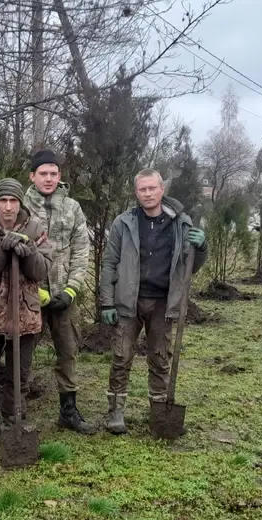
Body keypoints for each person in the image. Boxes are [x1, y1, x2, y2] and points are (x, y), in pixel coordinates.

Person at [99, 168, 207, 435]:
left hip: (162, 303)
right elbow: (110, 263)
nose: (147, 193)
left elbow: (189, 266)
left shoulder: (181, 224)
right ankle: (116, 410)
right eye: (142, 189)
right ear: (136, 193)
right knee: (121, 356)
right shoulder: (124, 222)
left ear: (162, 190)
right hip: (128, 302)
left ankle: (159, 411)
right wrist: (107, 302)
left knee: (160, 358)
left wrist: (202, 247)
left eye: (152, 188)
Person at [0, 178, 53, 456]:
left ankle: (13, 420)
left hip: (24, 315)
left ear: (20, 203)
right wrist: (1, 248)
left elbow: (41, 272)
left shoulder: (36, 230)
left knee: (20, 375)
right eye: (3, 200)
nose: (8, 207)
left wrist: (28, 253)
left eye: (13, 201)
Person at [23, 150, 96, 434]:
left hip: (64, 297)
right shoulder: (21, 207)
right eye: (43, 173)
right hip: (29, 297)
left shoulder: (72, 208)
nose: (49, 179)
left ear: (60, 176)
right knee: (22, 356)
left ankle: (68, 411)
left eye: (54, 174)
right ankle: (17, 412)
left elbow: (81, 251)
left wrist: (71, 290)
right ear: (32, 176)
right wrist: (34, 290)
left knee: (67, 353)